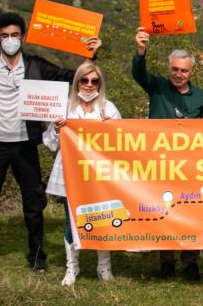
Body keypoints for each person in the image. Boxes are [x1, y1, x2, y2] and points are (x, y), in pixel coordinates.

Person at [0, 12, 100, 275]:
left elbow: (72, 76)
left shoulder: (35, 65)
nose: (10, 40)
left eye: (14, 35)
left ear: (22, 37)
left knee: (34, 205)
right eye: (4, 36)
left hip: (25, 146)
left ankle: (37, 257)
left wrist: (90, 55)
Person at [132, 26, 203, 281]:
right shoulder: (156, 86)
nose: (179, 74)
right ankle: (166, 260)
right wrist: (140, 50)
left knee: (191, 212)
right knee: (164, 211)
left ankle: (190, 262)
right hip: (160, 163)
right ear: (169, 69)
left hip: (190, 166)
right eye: (175, 69)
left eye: (184, 70)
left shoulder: (200, 96)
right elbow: (138, 73)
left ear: (192, 71)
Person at [44, 61, 120, 286]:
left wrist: (110, 129)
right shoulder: (64, 107)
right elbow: (49, 142)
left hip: (99, 174)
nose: (89, 85)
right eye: (84, 80)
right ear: (77, 81)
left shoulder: (109, 108)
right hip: (70, 172)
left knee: (102, 218)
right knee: (71, 220)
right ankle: (72, 267)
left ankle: (104, 267)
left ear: (100, 83)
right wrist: (57, 129)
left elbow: (122, 143)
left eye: (94, 80)